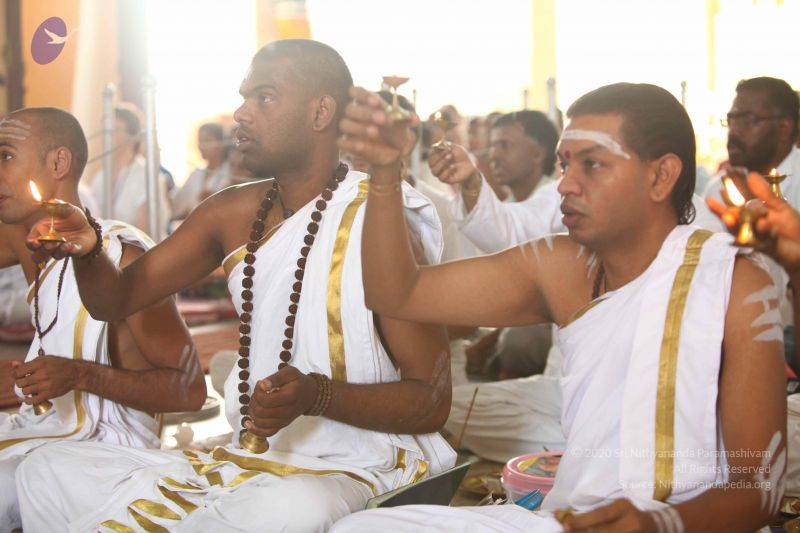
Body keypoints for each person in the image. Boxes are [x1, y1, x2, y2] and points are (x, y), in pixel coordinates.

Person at [17, 40, 454, 532]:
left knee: (287, 508)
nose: (241, 113)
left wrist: (318, 395)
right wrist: (89, 250)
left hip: (357, 466)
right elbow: (114, 300)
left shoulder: (378, 223)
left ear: (320, 112)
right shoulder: (230, 211)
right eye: (244, 97)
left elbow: (432, 400)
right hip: (247, 461)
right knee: (45, 470)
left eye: (263, 97)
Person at [334, 82, 786, 531]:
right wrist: (385, 173)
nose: (566, 185)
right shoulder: (560, 267)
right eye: (565, 164)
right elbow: (398, 294)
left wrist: (659, 523)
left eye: (592, 164)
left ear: (661, 176)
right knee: (360, 528)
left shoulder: (733, 280)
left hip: (688, 526)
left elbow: (760, 487)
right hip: (571, 522)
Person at [0, 107, 205, 531]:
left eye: (5, 156)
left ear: (58, 162)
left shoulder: (123, 258)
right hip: (45, 429)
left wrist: (79, 374)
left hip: (111, 451)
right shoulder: (24, 238)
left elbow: (190, 391)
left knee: (32, 476)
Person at [89, 103, 173, 239]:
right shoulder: (100, 177)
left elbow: (145, 235)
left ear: (133, 137)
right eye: (105, 130)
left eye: (115, 129)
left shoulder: (147, 177)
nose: (107, 136)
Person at [171, 122, 234, 219]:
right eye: (200, 141)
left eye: (206, 141)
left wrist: (214, 200)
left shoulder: (232, 173)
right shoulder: (196, 174)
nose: (201, 146)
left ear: (220, 143)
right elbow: (176, 206)